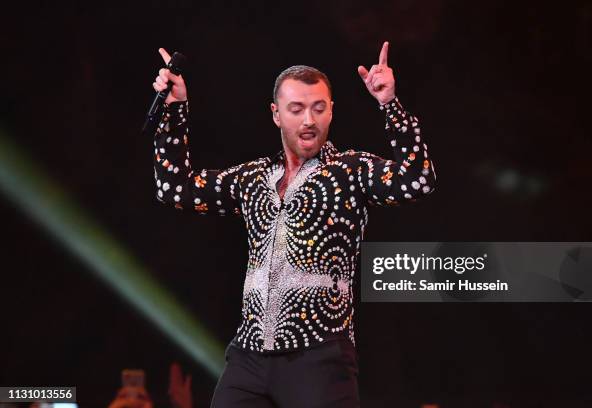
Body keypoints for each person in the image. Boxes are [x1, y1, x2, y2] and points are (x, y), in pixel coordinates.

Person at [151, 41, 436, 407]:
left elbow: (418, 179)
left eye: (318, 108)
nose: (308, 120)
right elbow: (175, 189)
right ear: (276, 114)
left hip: (319, 357)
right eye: (297, 109)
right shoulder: (253, 177)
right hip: (249, 355)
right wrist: (175, 109)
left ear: (331, 111)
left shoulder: (350, 171)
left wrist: (389, 105)